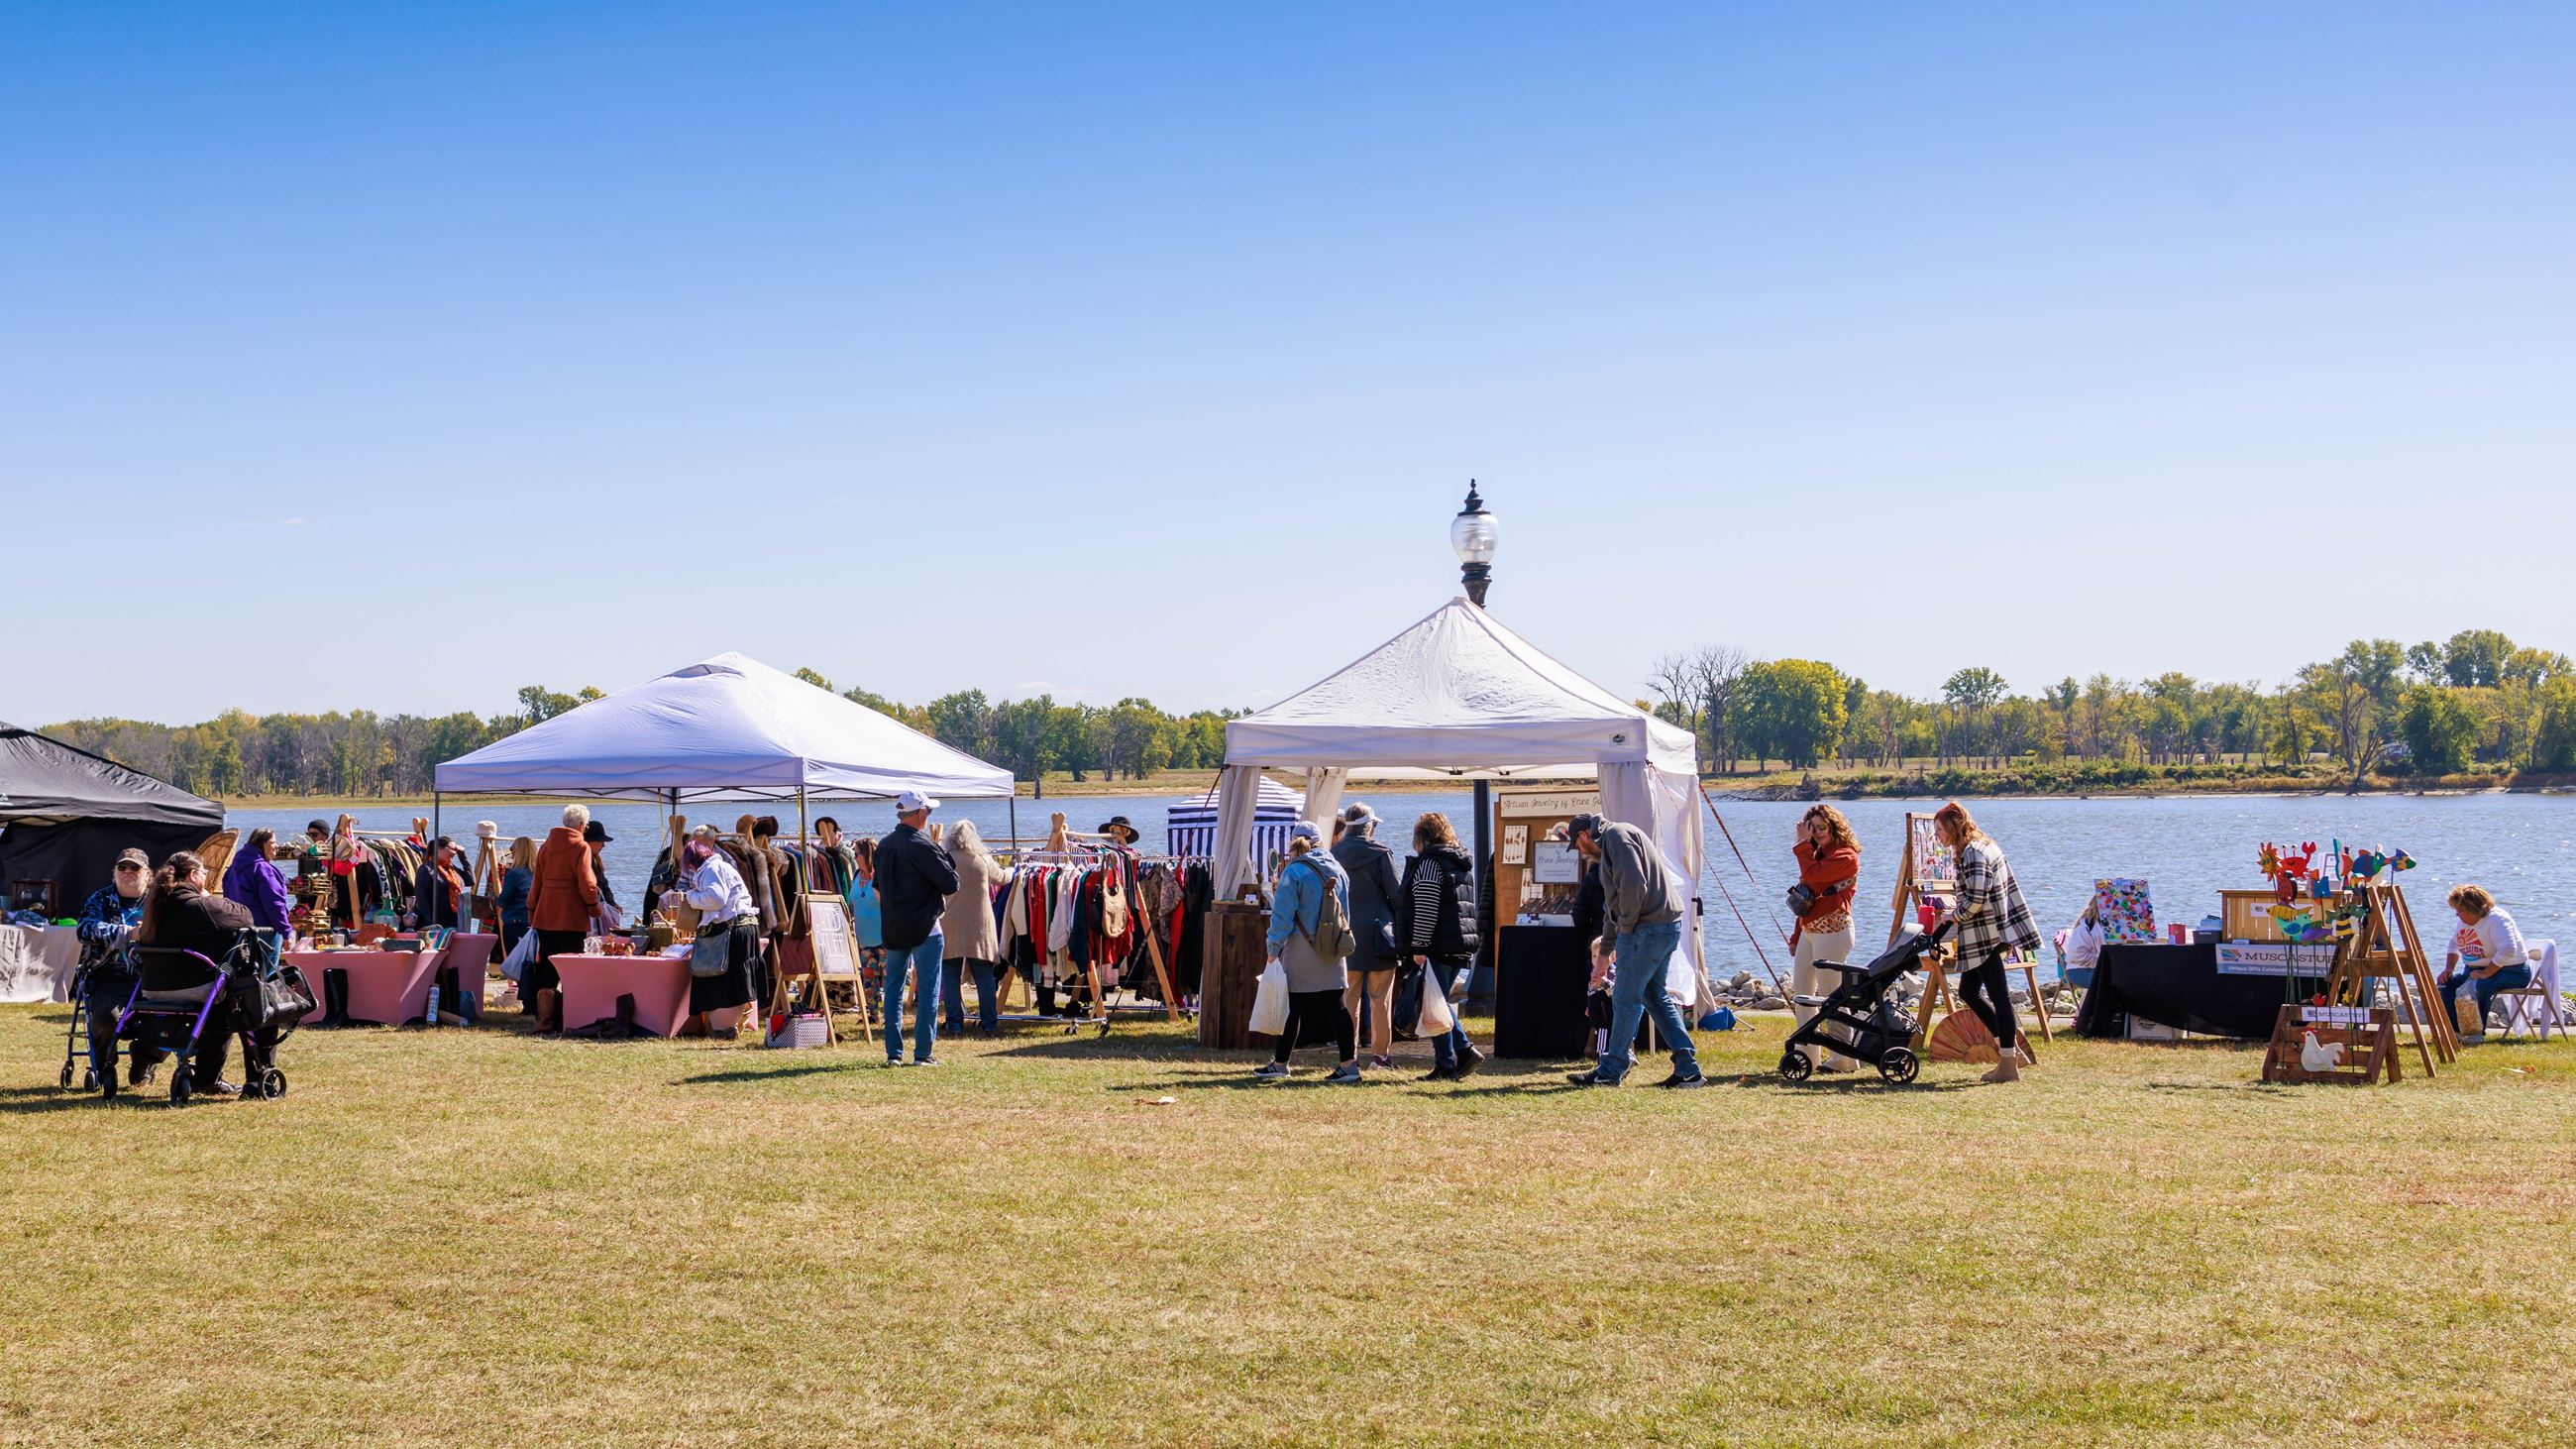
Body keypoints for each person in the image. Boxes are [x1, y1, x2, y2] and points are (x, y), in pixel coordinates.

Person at [1563, 813, 1703, 1089]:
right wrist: (1603, 957)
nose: (1580, 853)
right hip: (1659, 927)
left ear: (1583, 836)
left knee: (1625, 997)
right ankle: (1688, 1070)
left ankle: (1612, 1069)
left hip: (1647, 929)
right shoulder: (1610, 849)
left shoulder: (1618, 837)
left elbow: (1634, 886)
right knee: (1653, 995)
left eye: (1577, 846)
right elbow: (1611, 910)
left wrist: (1625, 932)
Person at [1932, 801, 2041, 1083]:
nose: (1937, 837)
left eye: (1940, 830)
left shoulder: (1973, 852)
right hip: (1991, 930)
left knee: (1999, 995)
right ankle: (2013, 1051)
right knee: (1969, 991)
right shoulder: (1984, 846)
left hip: (1986, 933)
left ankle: (2008, 1063)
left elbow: (1977, 899)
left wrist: (1950, 915)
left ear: (1953, 828)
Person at [133, 850, 258, 1096]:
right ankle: (207, 1078)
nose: (206, 876)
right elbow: (245, 915)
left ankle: (145, 1054)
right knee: (226, 1010)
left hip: (151, 986)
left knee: (208, 1006)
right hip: (192, 985)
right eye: (204, 872)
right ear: (192, 875)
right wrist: (207, 896)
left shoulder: (155, 905)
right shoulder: (201, 905)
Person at [1254, 822, 1360, 1083]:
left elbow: (1282, 916)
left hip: (1302, 947)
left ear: (1293, 843)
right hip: (1333, 945)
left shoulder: (1295, 871)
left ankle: (1280, 1064)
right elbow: (1344, 913)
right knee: (1337, 1006)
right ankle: (1349, 1065)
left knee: (1291, 1008)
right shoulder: (1338, 868)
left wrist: (1272, 949)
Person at [876, 791, 959, 1066]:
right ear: (921, 813)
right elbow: (951, 883)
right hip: (925, 926)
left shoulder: (884, 846)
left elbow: (878, 887)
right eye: (928, 812)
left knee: (894, 989)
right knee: (928, 989)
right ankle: (923, 1052)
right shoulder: (924, 845)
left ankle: (893, 1053)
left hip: (893, 925)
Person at [1402, 811, 1486, 1082]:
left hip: (1438, 943)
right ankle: (1462, 1051)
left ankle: (1447, 1064)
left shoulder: (1430, 864)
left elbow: (1426, 910)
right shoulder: (1459, 862)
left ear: (1422, 838)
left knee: (1432, 1002)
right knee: (1437, 1001)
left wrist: (1418, 946)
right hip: (1460, 941)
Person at [1789, 804, 1864, 1072]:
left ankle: (1843, 1057)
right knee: (1802, 995)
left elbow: (1814, 876)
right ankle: (1806, 1055)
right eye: (1812, 829)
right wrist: (1796, 935)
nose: (1818, 833)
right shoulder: (1815, 854)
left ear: (1834, 825)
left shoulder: (1846, 856)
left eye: (1822, 827)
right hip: (1810, 932)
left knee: (1833, 998)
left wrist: (1801, 845)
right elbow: (1806, 895)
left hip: (1833, 933)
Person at [1331, 801, 1404, 1069]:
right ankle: (1380, 1056)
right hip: (1379, 937)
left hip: (1345, 937)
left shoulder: (1334, 854)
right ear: (1369, 826)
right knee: (1380, 1000)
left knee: (1348, 1001)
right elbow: (1396, 895)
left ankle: (1348, 1057)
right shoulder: (1381, 854)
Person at [77, 847, 154, 1086]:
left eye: (135, 867)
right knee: (106, 1018)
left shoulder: (158, 899)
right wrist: (127, 933)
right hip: (108, 974)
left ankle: (142, 1063)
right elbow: (84, 929)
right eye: (122, 867)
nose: (128, 872)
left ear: (148, 873)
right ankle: (103, 1065)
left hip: (153, 976)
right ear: (115, 872)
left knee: (168, 1019)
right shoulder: (100, 898)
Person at [673, 834, 760, 1038]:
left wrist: (691, 897)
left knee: (721, 978)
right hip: (742, 927)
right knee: (736, 980)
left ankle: (723, 1029)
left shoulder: (712, 869)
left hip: (730, 930)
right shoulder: (721, 867)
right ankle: (726, 1028)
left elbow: (716, 898)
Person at [523, 804, 602, 1027]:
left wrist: (532, 909)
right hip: (572, 917)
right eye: (586, 825)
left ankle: (544, 1017)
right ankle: (571, 1015)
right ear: (581, 825)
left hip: (546, 915)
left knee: (547, 968)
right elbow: (586, 883)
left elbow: (536, 882)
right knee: (572, 968)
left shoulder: (546, 846)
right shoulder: (581, 847)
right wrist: (594, 906)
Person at [941, 821, 1010, 1038]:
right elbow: (1001, 878)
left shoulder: (946, 859)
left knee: (950, 975)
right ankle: (989, 1023)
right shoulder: (982, 859)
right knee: (984, 976)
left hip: (950, 923)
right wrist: (1013, 870)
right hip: (979, 925)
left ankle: (954, 1024)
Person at [2438, 883, 2529, 1040]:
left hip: (2511, 971)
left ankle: (2476, 1033)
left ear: (2474, 910)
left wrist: (2487, 972)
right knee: (2446, 985)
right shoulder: (2464, 921)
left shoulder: (2497, 919)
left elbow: (2508, 949)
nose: (2457, 915)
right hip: (2474, 970)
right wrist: (2449, 969)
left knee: (2481, 986)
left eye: (2460, 911)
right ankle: (2456, 1032)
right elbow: (2454, 943)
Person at [220, 828, 294, 937]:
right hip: (263, 930)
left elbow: (227, 895)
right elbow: (274, 903)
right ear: (262, 844)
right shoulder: (263, 869)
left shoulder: (233, 868)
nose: (277, 846)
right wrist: (285, 931)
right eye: (273, 842)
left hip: (238, 929)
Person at [410, 836, 469, 931]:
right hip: (436, 923)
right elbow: (421, 897)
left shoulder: (451, 868)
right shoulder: (426, 869)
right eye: (452, 848)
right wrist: (429, 923)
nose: (455, 852)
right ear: (438, 849)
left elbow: (470, 880)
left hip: (455, 921)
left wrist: (462, 856)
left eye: (456, 849)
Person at [497, 836, 536, 958]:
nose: (511, 852)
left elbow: (503, 901)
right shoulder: (540, 873)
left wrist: (496, 899)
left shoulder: (514, 874)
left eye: (512, 848)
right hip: (535, 924)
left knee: (516, 965)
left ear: (518, 851)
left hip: (515, 924)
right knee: (532, 963)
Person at [585, 820, 621, 931]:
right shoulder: (584, 861)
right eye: (601, 841)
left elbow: (604, 884)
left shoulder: (595, 860)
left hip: (597, 912)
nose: (603, 845)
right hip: (590, 915)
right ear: (590, 841)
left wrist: (612, 903)